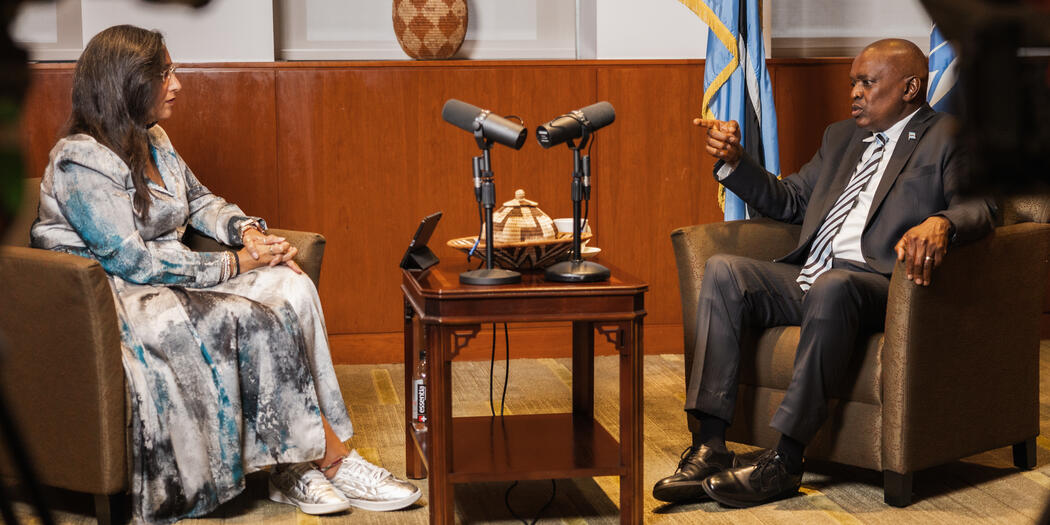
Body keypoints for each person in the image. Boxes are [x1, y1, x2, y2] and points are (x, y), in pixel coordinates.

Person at [30, 25, 421, 522]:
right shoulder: (78, 160)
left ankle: (293, 463)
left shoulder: (154, 138)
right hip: (111, 298)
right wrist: (234, 264)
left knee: (291, 285)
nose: (177, 84)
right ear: (126, 83)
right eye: (164, 73)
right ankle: (327, 459)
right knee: (250, 317)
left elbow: (199, 201)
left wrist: (247, 234)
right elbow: (129, 260)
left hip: (168, 279)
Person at [653, 39, 996, 508]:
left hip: (883, 284)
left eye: (867, 83)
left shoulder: (949, 135)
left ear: (911, 87)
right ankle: (710, 447)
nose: (854, 92)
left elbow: (982, 204)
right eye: (852, 82)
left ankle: (786, 462)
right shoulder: (841, 137)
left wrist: (942, 221)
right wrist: (735, 160)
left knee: (834, 285)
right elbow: (789, 200)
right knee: (725, 270)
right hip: (813, 277)